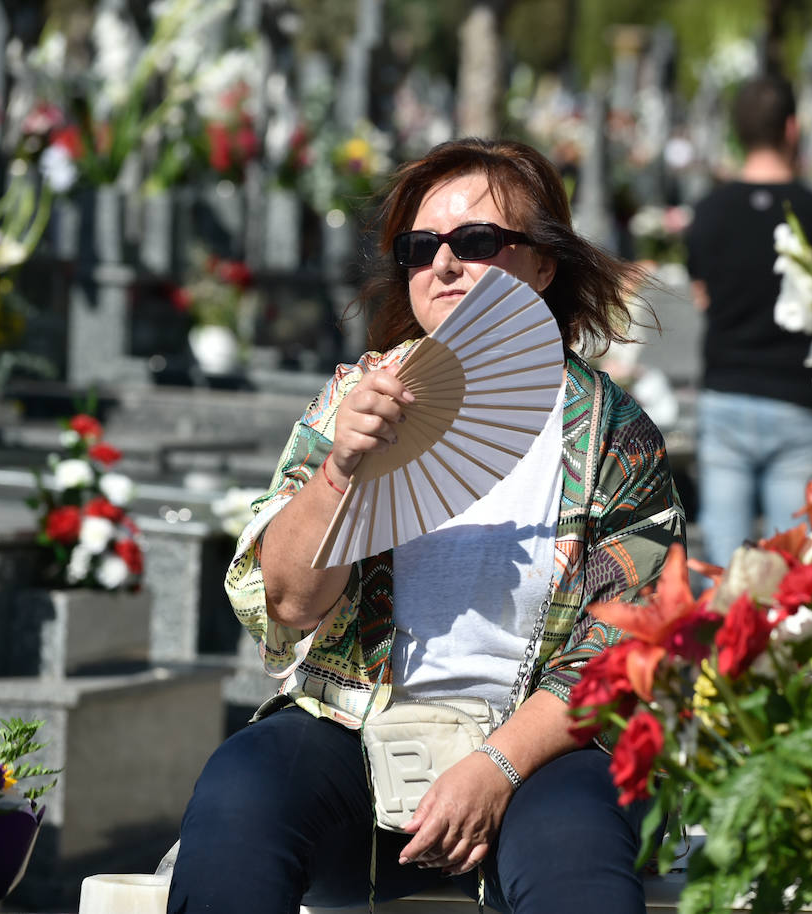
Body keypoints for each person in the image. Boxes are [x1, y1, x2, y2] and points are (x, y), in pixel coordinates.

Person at [166, 138, 685, 914]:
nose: (442, 264)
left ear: (544, 265)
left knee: (573, 852)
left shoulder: (613, 431)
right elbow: (288, 603)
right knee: (242, 788)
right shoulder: (353, 400)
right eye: (418, 248)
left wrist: (497, 767)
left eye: (475, 241)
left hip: (551, 751)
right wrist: (343, 469)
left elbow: (627, 639)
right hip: (359, 731)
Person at [683, 73, 812, 568]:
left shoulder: (709, 212)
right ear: (792, 128)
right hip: (798, 398)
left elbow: (701, 295)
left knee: (726, 569)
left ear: (738, 131)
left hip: (726, 394)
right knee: (798, 572)